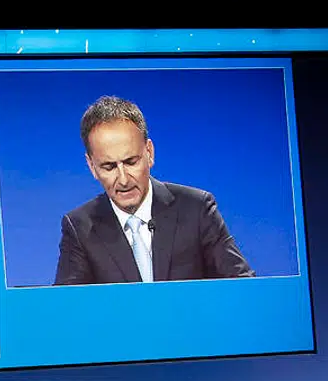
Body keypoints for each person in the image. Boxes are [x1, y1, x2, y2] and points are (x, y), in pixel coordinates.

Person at [52, 96, 253, 287]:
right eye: (109, 167)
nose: (123, 179)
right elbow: (66, 310)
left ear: (149, 153)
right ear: (91, 166)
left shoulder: (197, 209)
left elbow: (244, 287)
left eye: (131, 162)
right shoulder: (80, 228)